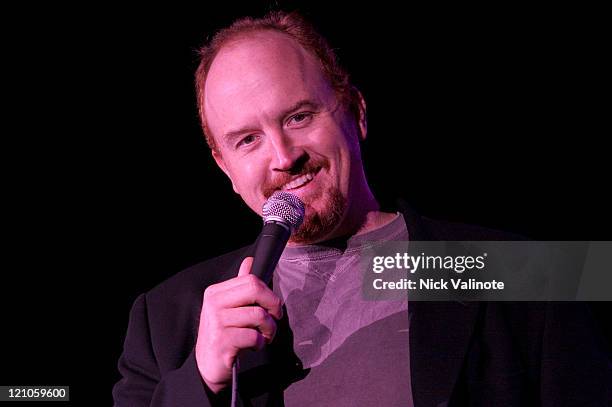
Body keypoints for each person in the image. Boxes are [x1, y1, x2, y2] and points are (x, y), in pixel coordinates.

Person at [112, 11, 611, 406]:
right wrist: (199, 382)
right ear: (224, 166)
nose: (284, 157)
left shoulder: (523, 271)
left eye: (300, 116)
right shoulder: (166, 317)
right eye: (248, 140)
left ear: (355, 111)